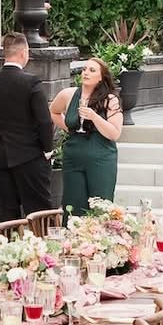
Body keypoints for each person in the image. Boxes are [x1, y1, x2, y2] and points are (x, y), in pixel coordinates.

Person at [0, 32, 56, 221]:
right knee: (39, 211)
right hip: (28, 153)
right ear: (24, 52)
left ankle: (7, 249)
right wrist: (48, 150)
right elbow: (44, 120)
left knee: (4, 214)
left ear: (5, 53)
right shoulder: (31, 82)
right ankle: (43, 249)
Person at [49, 56, 124, 217]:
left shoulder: (110, 100)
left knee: (100, 207)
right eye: (84, 69)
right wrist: (69, 128)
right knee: (72, 205)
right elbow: (53, 112)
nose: (86, 73)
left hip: (101, 157)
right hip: (73, 156)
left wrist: (95, 117)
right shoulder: (68, 95)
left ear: (101, 77)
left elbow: (115, 133)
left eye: (92, 70)